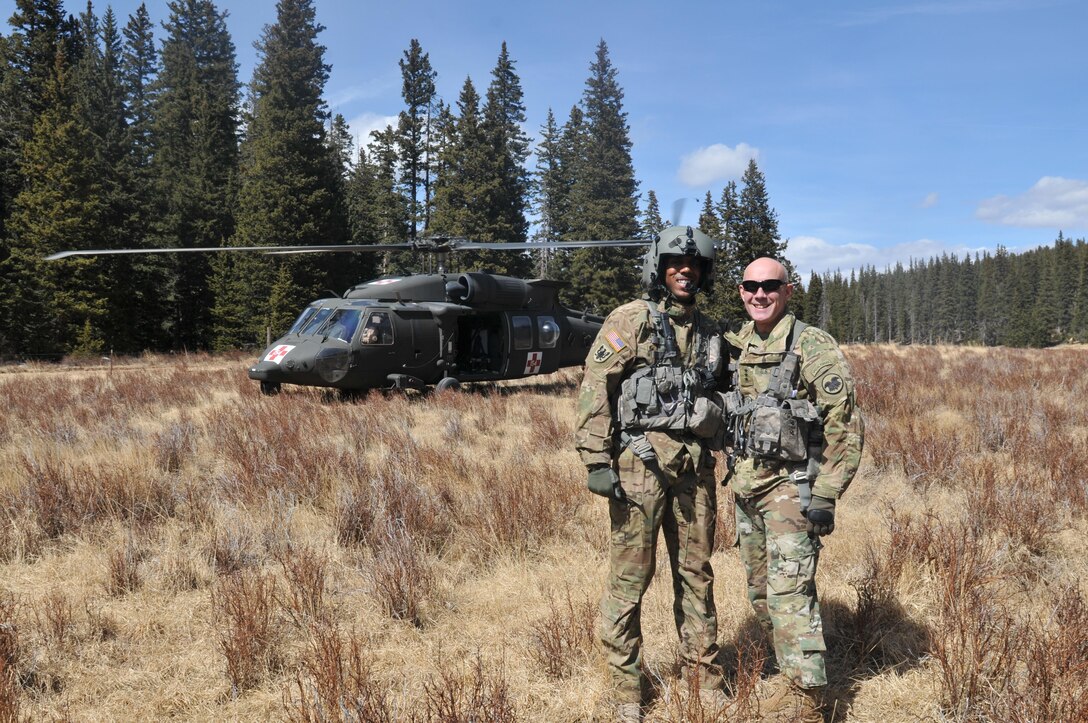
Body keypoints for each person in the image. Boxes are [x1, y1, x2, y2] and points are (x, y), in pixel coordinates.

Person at [574, 226, 728, 722]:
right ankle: (625, 691)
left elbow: (728, 392)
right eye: (676, 264)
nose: (686, 272)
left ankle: (702, 679)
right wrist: (596, 460)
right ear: (660, 269)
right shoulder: (631, 319)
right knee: (630, 578)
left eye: (694, 266)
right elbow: (598, 383)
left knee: (697, 577)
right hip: (638, 469)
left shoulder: (709, 331)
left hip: (694, 474)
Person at [721, 257, 864, 722]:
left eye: (769, 286)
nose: (758, 294)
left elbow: (844, 424)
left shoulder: (811, 345)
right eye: (750, 286)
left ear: (788, 291)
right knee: (760, 591)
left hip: (791, 487)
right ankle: (789, 671)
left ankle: (809, 700)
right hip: (747, 487)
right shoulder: (737, 343)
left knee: (790, 591)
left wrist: (825, 495)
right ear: (740, 290)